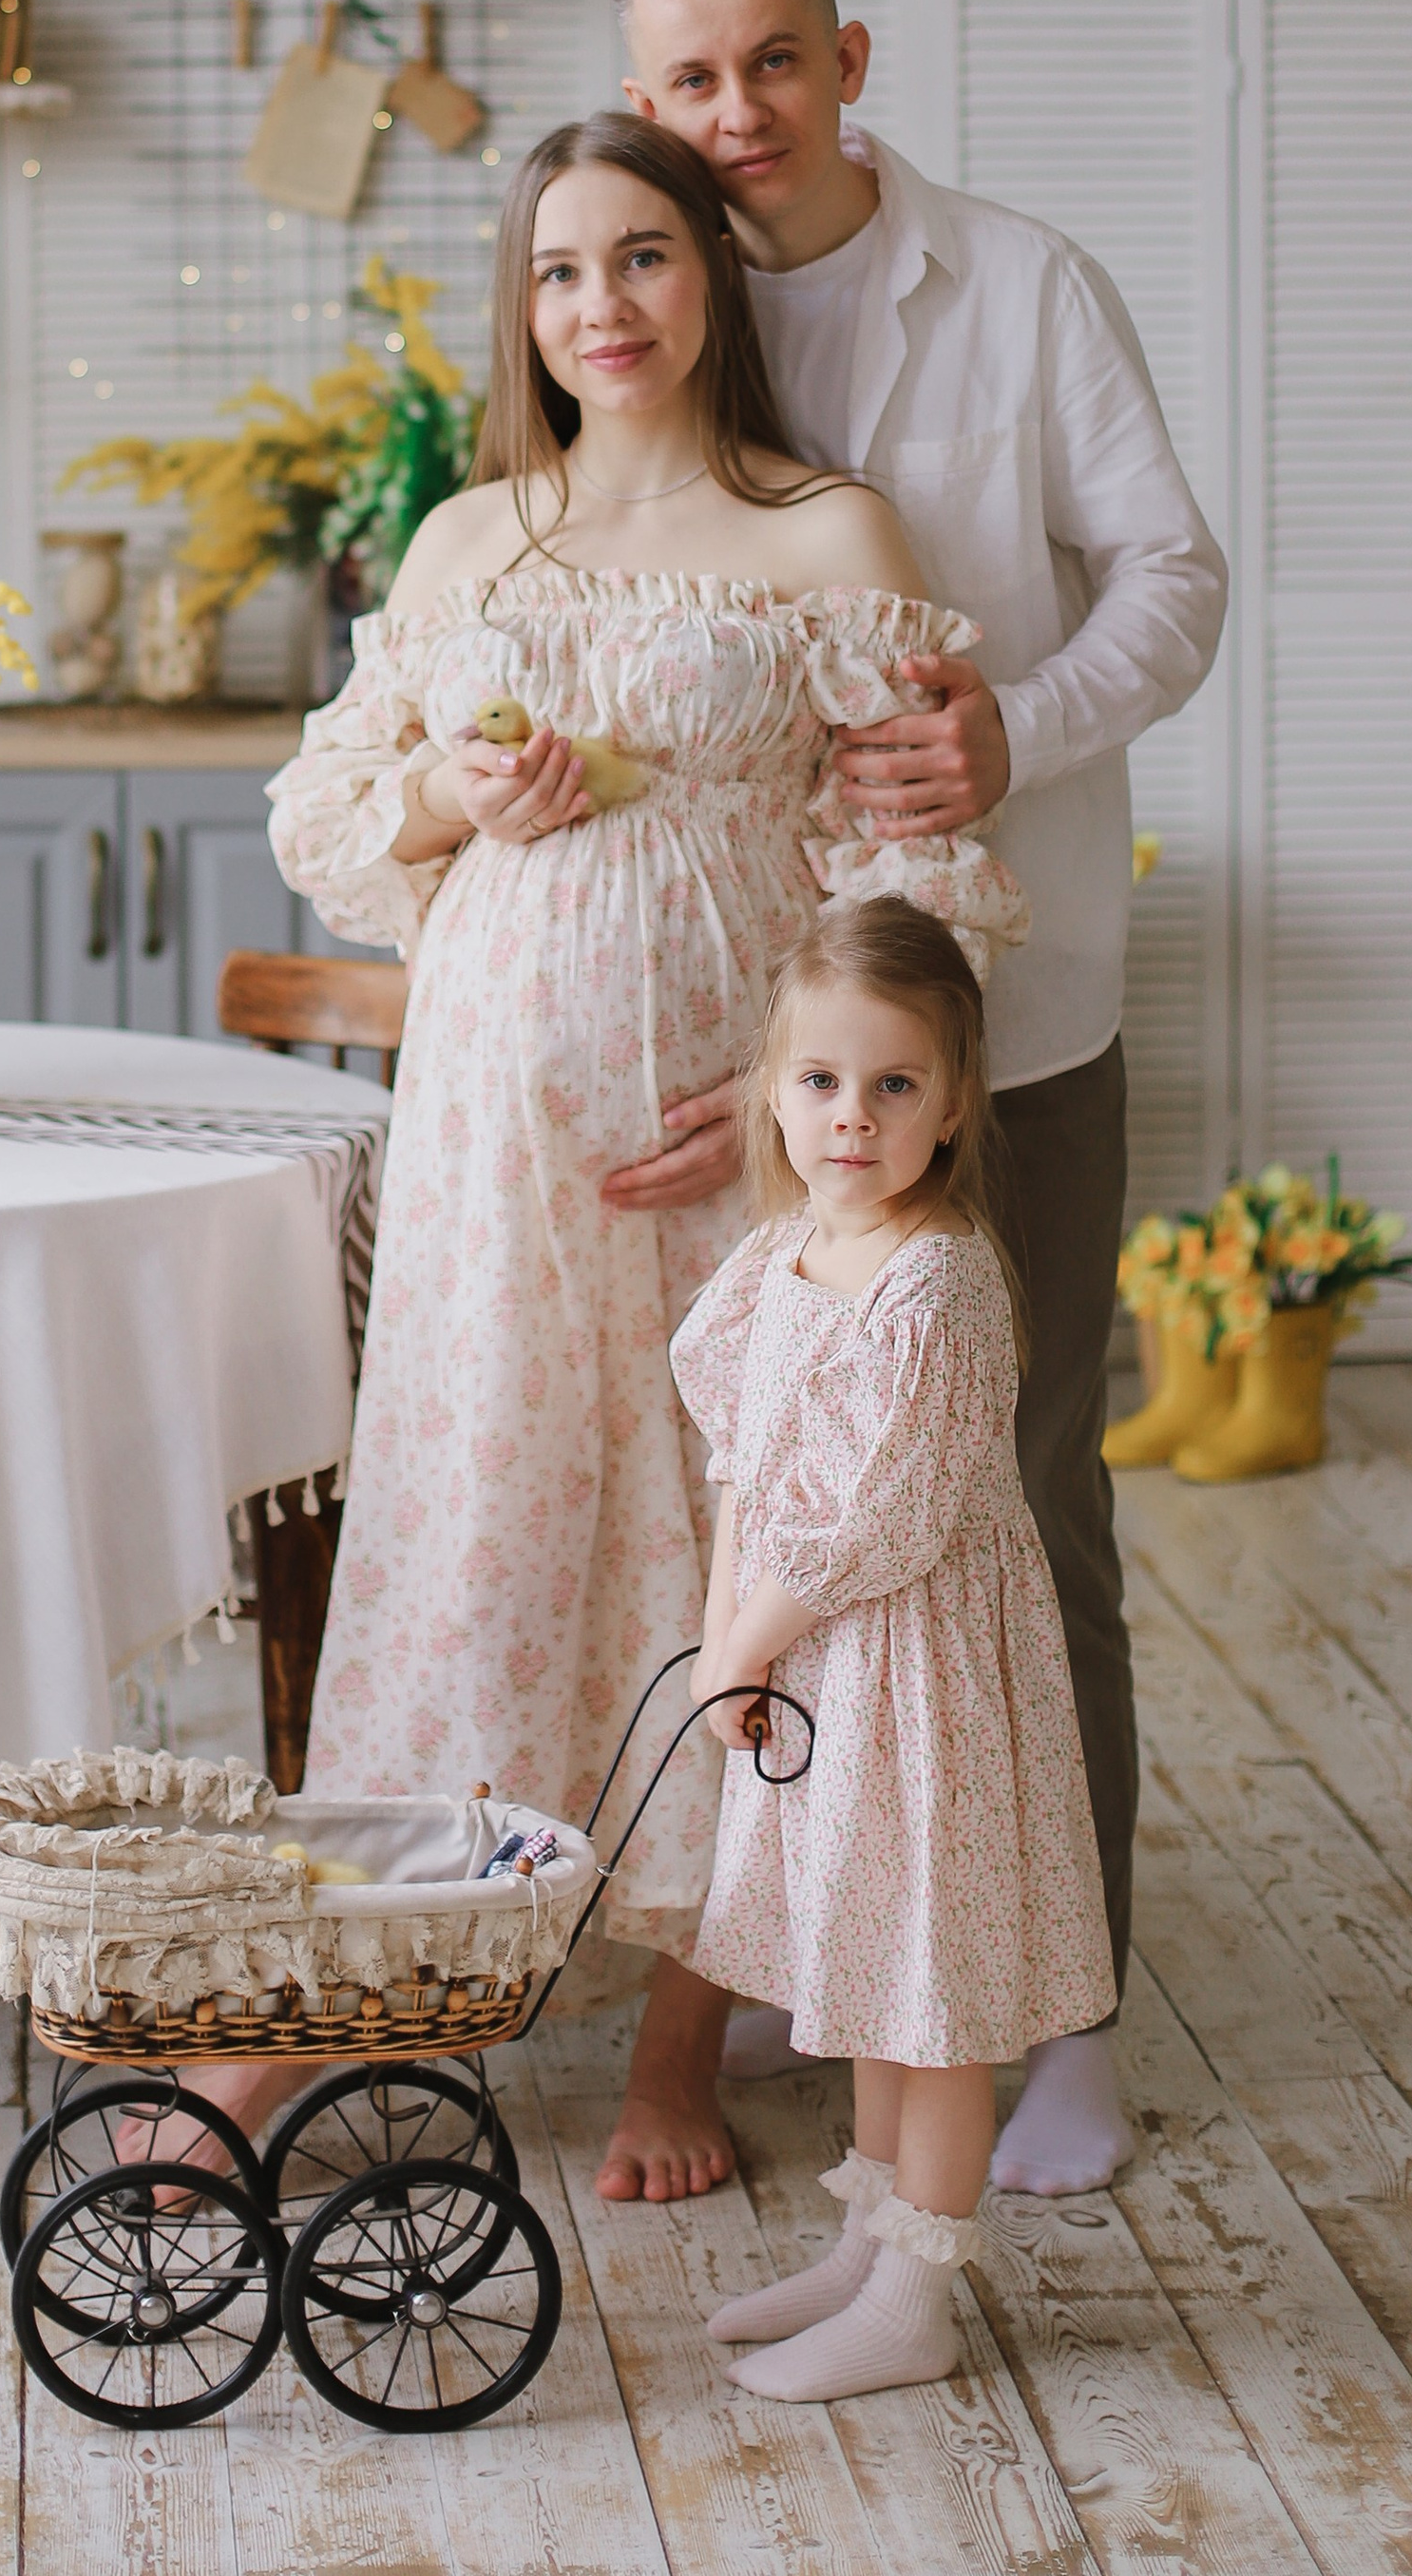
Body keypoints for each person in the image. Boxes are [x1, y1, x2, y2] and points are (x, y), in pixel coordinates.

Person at [258, 109, 1029, 2204]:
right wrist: (450, 789)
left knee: (724, 1552)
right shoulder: (463, 543)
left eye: (643, 259)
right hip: (491, 1138)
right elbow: (326, 821)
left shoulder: (823, 538)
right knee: (465, 1526)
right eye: (556, 272)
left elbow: (912, 881)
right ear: (518, 309)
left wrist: (799, 1117)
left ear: (713, 276)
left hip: (734, 1129)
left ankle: (685, 2034)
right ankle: (360, 1994)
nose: (600, 306)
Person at [610, 0, 1227, 2195]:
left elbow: (1168, 575)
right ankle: (843, 1960)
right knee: (790, 1511)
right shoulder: (639, 303)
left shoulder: (1023, 286)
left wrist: (1018, 729)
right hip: (760, 1038)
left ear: (846, 57)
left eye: (770, 62)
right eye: (687, 77)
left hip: (1010, 1009)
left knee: (1017, 1492)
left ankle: (1060, 2010)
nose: (732, 115)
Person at [677, 897, 1113, 2400]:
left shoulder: (939, 1283)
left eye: (893, 1085)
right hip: (813, 1660)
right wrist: (725, 1629)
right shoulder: (785, 1255)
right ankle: (872, 2244)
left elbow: (884, 1517)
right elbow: (743, 1459)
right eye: (820, 1083)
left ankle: (920, 2293)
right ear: (774, 1092)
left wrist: (754, 1642)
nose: (850, 1117)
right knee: (862, 1958)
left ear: (955, 1101)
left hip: (916, 1671)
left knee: (931, 1989)